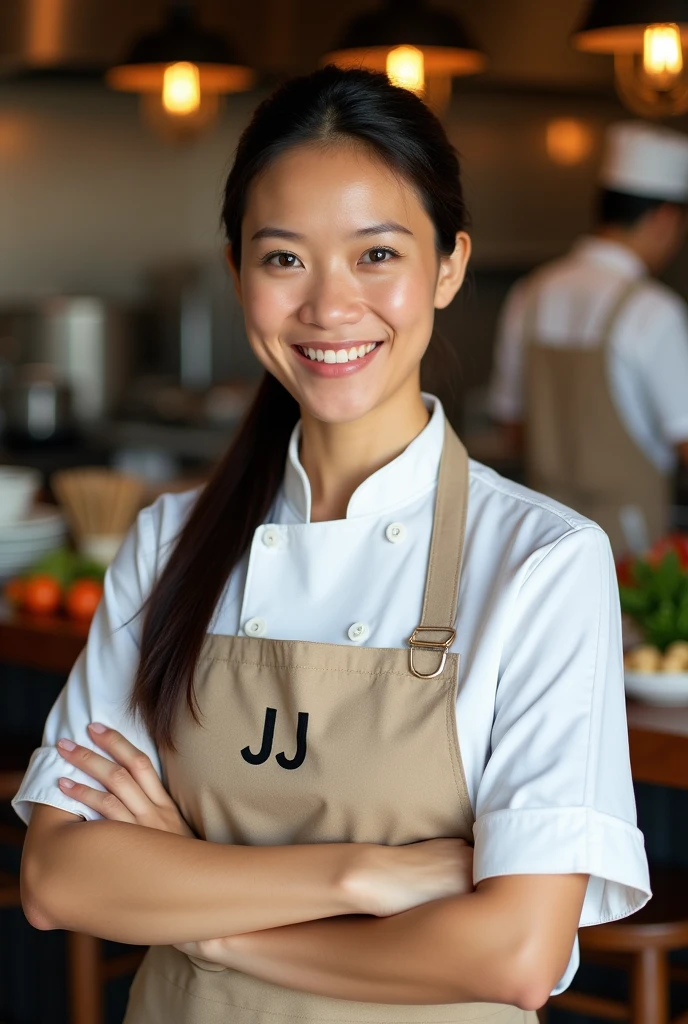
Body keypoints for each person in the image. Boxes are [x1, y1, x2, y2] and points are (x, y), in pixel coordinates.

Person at [15, 68, 649, 1023]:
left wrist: (209, 919)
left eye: (377, 254)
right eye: (283, 260)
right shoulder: (170, 541)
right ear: (237, 273)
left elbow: (516, 951)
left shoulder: (543, 563)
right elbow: (61, 876)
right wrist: (364, 877)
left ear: (448, 266)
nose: (329, 306)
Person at [489, 121, 688, 556]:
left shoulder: (531, 292)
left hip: (545, 540)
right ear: (665, 220)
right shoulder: (653, 311)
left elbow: (512, 426)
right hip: (631, 549)